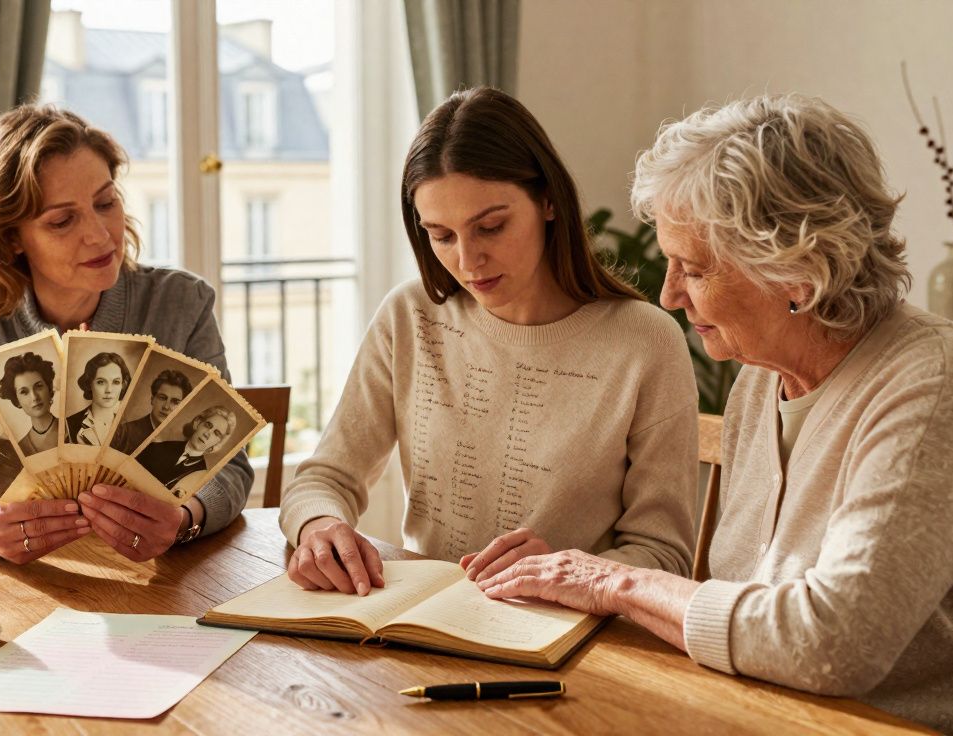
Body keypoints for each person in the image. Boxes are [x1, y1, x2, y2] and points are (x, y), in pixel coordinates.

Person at [475, 95, 953, 733]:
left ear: (798, 271)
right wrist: (577, 573)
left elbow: (831, 644)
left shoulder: (939, 382)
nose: (670, 294)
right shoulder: (758, 384)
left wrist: (612, 584)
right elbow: (742, 609)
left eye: (694, 268)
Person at [278, 87, 698, 598]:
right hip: (427, 624)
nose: (468, 260)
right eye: (442, 235)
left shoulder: (645, 342)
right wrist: (320, 529)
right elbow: (325, 479)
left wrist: (572, 573)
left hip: (571, 637)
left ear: (547, 200)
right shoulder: (409, 316)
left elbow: (664, 553)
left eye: (491, 227)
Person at [0, 105, 253, 564]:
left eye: (106, 203)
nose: (100, 235)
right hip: (13, 588)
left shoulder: (181, 304)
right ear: (10, 237)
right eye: (62, 221)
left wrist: (184, 520)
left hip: (155, 581)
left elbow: (229, 467)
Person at [136, 405, 236, 495]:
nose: (207, 434)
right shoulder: (158, 447)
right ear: (197, 423)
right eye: (208, 425)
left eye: (216, 433)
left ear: (217, 443)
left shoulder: (201, 476)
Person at [112, 369, 193, 454]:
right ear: (152, 399)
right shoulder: (125, 433)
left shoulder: (179, 444)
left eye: (175, 402)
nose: (166, 406)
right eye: (162, 398)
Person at [0, 351, 58, 455]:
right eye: (24, 392)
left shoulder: (73, 427)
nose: (34, 397)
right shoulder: (21, 450)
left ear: (49, 388)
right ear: (17, 400)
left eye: (38, 386)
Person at [65, 351, 129, 446]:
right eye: (101, 382)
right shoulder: (69, 424)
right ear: (89, 384)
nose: (109, 390)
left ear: (123, 385)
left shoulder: (128, 426)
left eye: (116, 382)